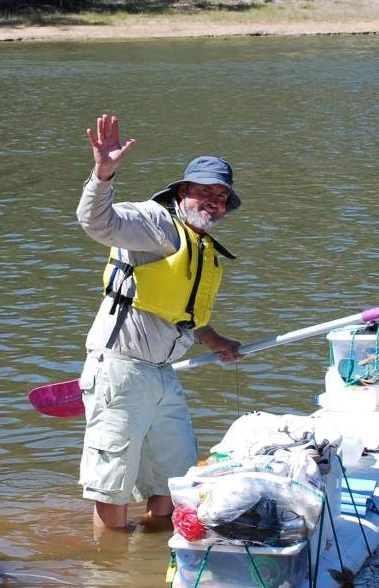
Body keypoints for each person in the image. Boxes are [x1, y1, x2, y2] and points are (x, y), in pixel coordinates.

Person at [76, 113, 244, 531]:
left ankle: (149, 563)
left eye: (221, 196)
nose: (213, 201)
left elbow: (186, 318)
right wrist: (103, 174)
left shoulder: (202, 247)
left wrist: (215, 339)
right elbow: (97, 222)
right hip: (120, 369)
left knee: (175, 482)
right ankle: (108, 576)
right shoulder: (154, 224)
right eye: (204, 191)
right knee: (112, 487)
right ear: (183, 191)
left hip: (163, 374)